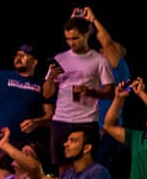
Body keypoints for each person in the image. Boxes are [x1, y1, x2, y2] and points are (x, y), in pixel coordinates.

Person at [45, 8, 119, 150]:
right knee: (63, 167)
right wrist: (51, 79)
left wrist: (90, 92)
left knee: (87, 166)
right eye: (67, 39)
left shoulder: (99, 60)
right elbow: (47, 94)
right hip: (61, 120)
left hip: (86, 121)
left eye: (75, 38)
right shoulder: (60, 58)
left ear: (86, 35)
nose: (71, 43)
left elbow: (110, 92)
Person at [0, 42, 53, 146]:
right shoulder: (2, 76)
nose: (18, 58)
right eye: (17, 55)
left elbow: (50, 117)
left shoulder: (42, 84)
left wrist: (36, 122)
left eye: (23, 56)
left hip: (26, 144)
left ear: (34, 62)